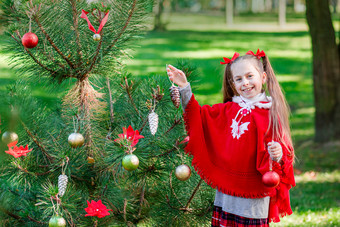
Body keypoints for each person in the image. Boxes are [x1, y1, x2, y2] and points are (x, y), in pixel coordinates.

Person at [166, 50, 295, 226]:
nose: (246, 83)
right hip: (227, 192)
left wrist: (278, 154)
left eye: (250, 76)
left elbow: (283, 154)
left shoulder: (270, 113)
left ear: (263, 77)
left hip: (253, 194)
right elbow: (199, 117)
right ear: (233, 83)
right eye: (239, 79)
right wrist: (184, 87)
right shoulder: (227, 110)